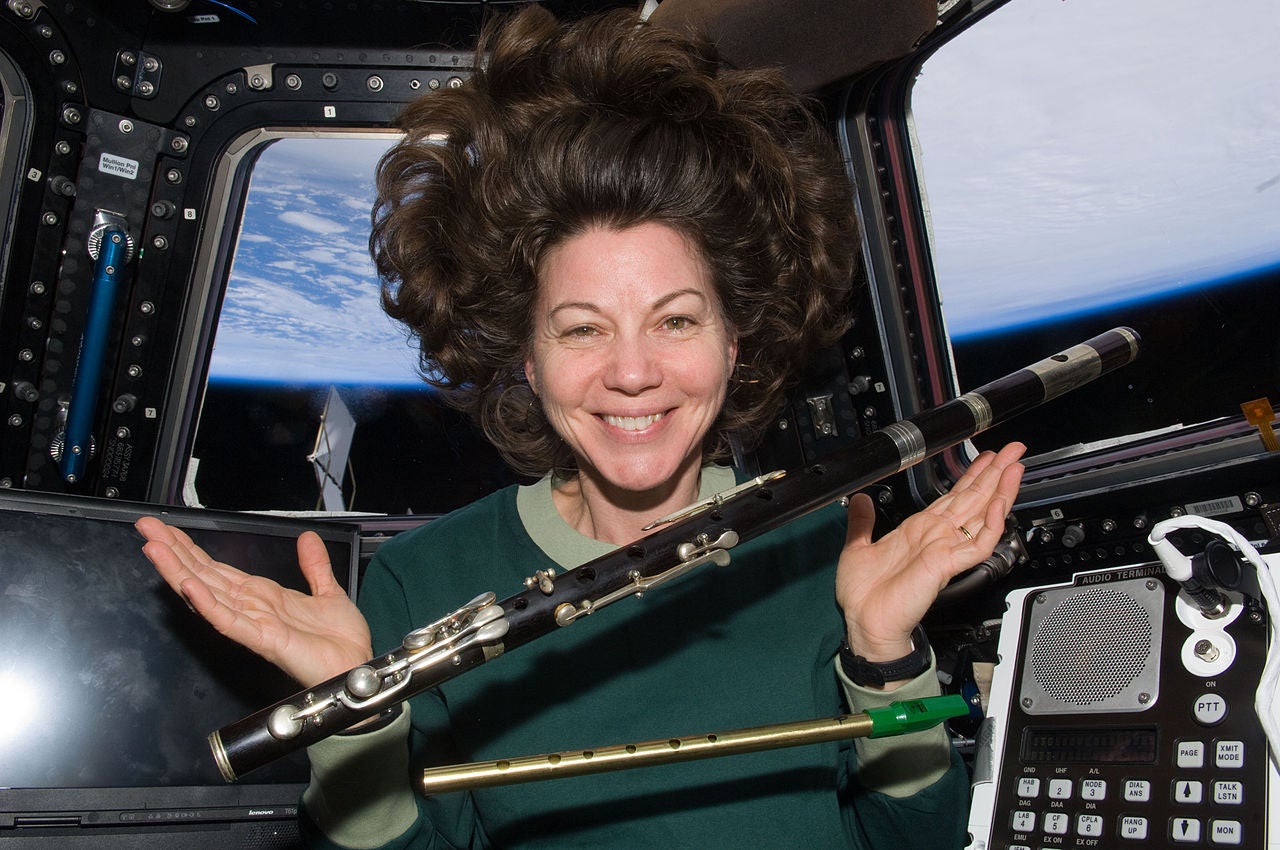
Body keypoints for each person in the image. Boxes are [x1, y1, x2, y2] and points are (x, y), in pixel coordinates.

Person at [137, 7, 1024, 848]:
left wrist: (882, 654)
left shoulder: (824, 544)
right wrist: (355, 721)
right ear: (528, 358)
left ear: (732, 342)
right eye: (582, 328)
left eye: (676, 321)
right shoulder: (422, 583)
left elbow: (918, 838)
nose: (632, 371)